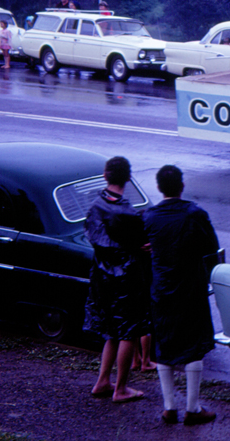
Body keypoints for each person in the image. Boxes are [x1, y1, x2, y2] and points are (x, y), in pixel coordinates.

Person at [142, 165, 220, 426]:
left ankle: (169, 408)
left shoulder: (149, 216)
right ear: (182, 186)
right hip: (189, 286)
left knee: (165, 344)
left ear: (159, 188)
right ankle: (193, 408)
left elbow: (142, 246)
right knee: (193, 345)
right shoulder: (194, 214)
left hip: (161, 288)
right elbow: (211, 246)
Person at [83, 156, 150, 403]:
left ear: (105, 175)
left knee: (111, 331)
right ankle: (120, 388)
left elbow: (94, 238)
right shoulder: (130, 214)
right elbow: (142, 246)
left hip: (101, 278)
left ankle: (102, 381)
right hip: (126, 278)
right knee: (129, 332)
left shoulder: (95, 207)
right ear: (128, 178)